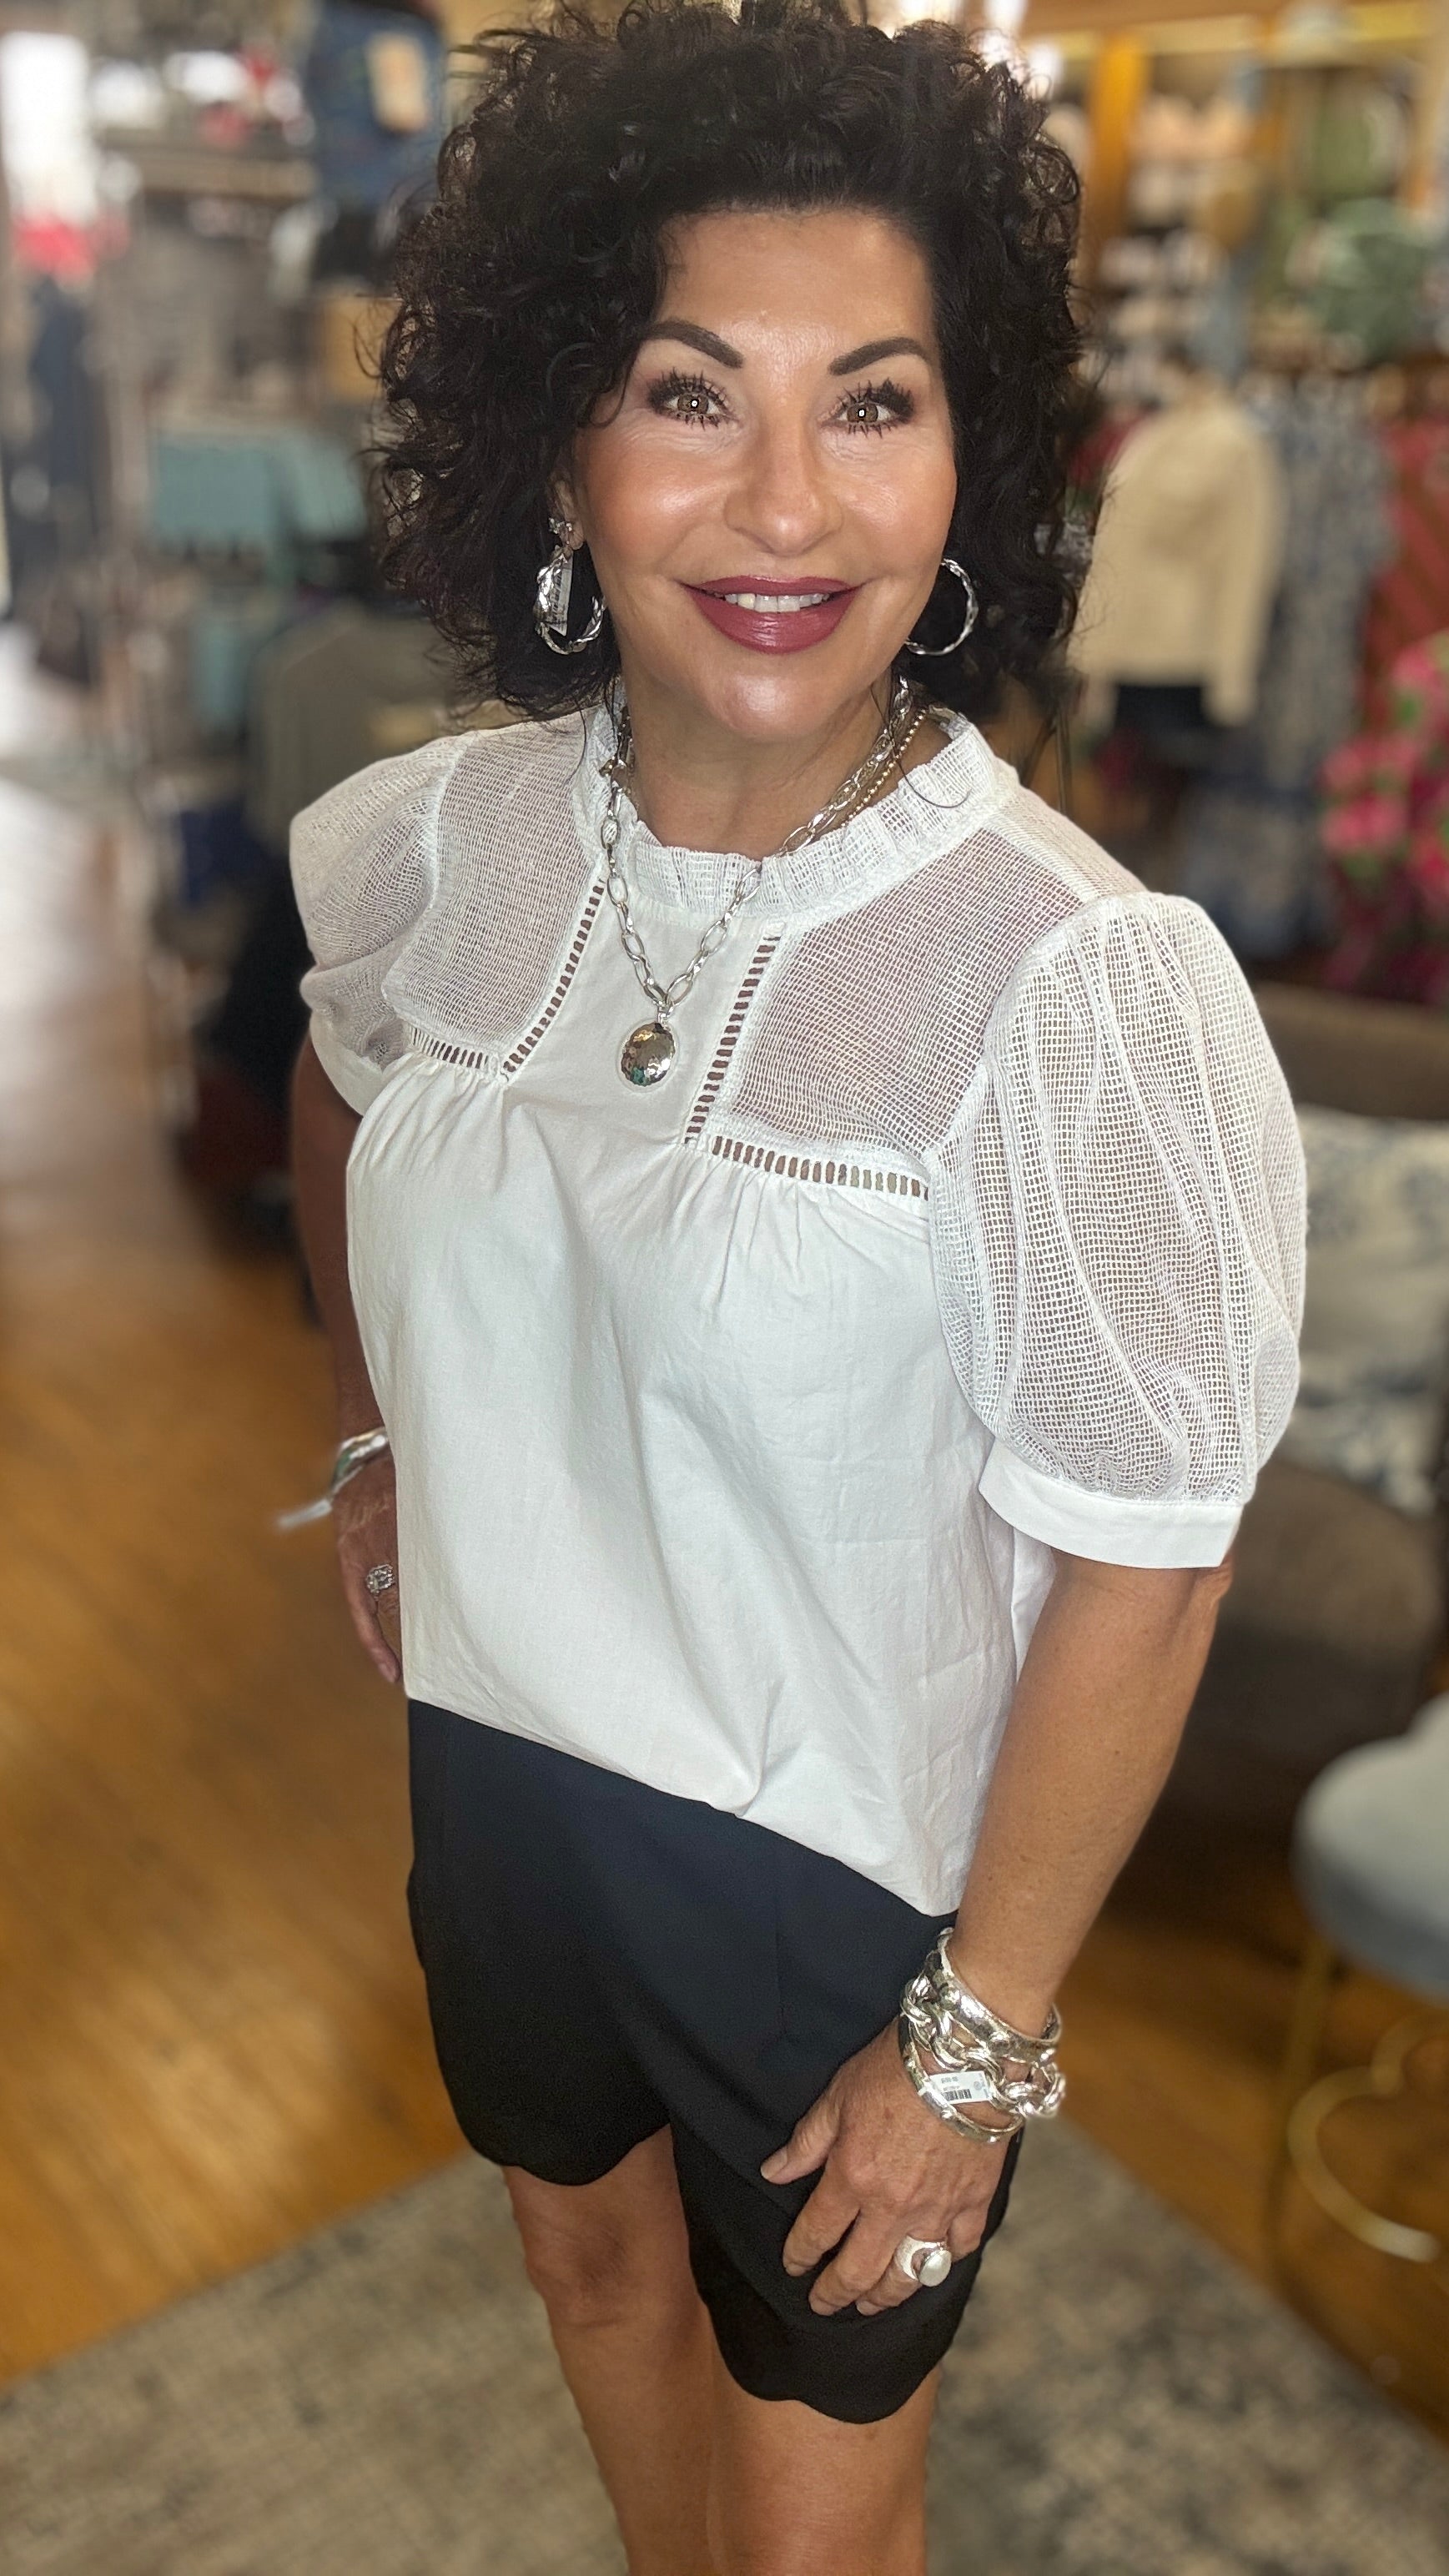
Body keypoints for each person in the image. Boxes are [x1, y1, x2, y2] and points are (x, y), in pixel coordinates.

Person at [288, 8, 1306, 2570]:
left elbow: (1152, 1560)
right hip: (495, 1770)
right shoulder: (442, 846)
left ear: (967, 471)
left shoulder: (1068, 980)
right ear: (558, 448)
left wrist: (973, 2045)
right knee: (584, 2273)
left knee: (818, 2496)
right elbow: (341, 1084)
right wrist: (381, 1435)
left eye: (870, 405)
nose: (780, 502)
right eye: (685, 394)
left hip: (837, 1872)